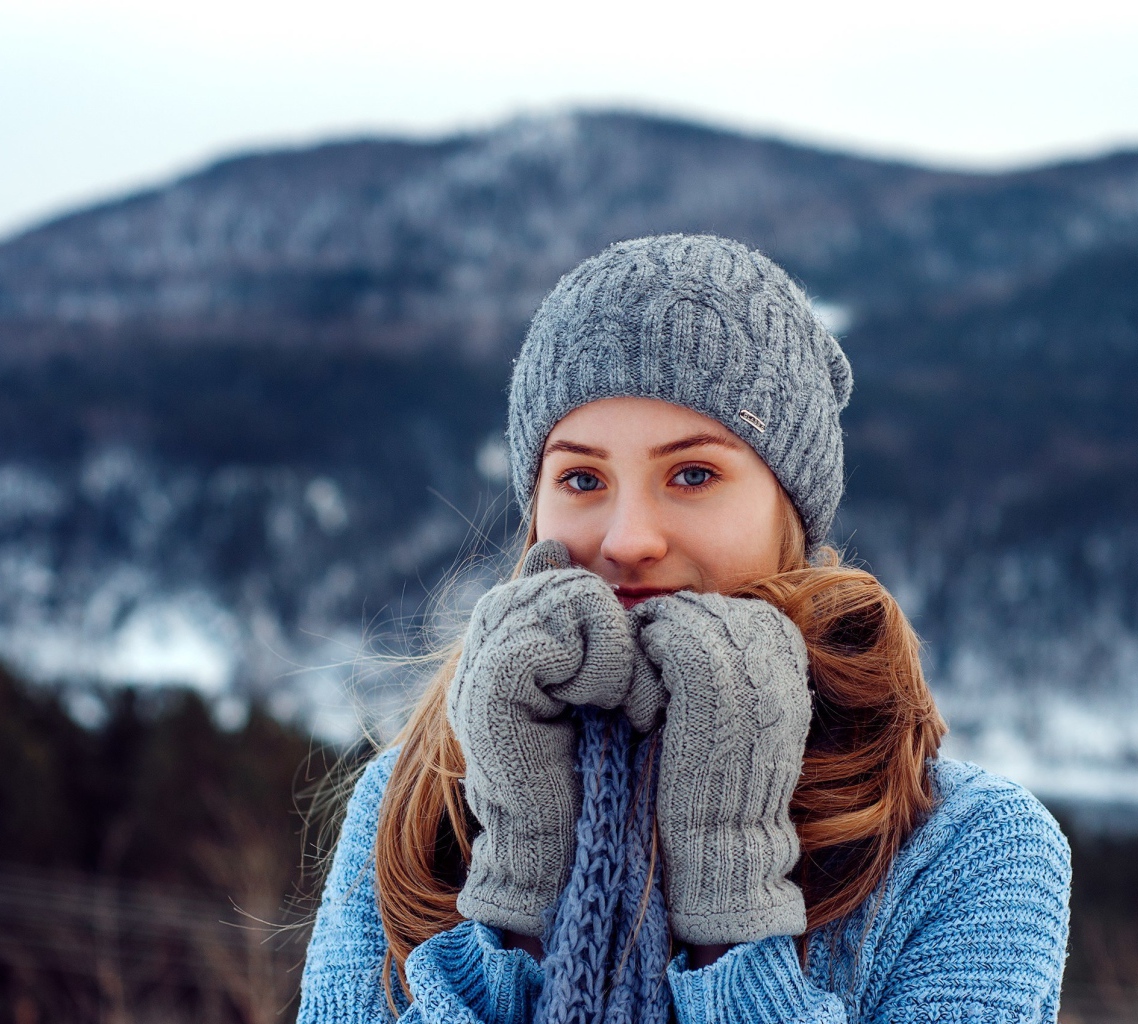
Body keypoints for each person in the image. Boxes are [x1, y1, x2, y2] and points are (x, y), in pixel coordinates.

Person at [298, 234, 1071, 1024]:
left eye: (693, 474)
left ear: (791, 511)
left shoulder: (970, 851)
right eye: (582, 478)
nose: (629, 537)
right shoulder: (412, 804)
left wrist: (731, 903)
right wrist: (518, 888)